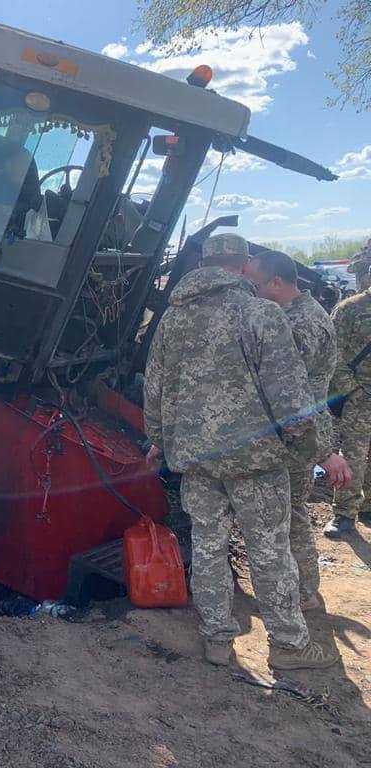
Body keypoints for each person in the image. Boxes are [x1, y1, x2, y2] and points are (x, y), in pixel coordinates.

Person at [144, 233, 338, 670]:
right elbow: (291, 399)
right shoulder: (260, 313)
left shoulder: (172, 319)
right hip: (257, 461)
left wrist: (160, 439)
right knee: (268, 550)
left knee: (208, 548)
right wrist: (315, 450)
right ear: (244, 264)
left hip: (196, 460)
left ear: (202, 265)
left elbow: (154, 388)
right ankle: (288, 646)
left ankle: (216, 640)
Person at [244, 250, 353, 608]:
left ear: (277, 282)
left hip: (297, 438)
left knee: (289, 517)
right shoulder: (294, 315)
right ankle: (300, 591)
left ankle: (303, 594)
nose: (253, 292)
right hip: (294, 434)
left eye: (256, 285)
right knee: (288, 515)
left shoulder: (301, 325)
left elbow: (293, 395)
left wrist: (323, 451)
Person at [326, 283, 371, 537]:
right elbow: (333, 354)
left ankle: (369, 507)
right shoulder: (349, 309)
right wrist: (353, 391)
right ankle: (344, 514)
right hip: (360, 397)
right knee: (353, 456)